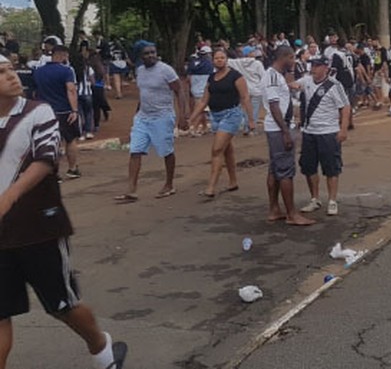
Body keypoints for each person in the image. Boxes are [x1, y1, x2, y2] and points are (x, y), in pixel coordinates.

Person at [0, 55, 129, 369]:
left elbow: (45, 159)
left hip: (38, 229)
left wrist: (10, 195)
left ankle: (101, 349)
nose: (12, 76)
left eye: (10, 69)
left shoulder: (38, 112)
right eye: (1, 73)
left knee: (62, 305)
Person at [114, 44, 187, 202]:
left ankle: (169, 184)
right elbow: (144, 94)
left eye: (153, 52)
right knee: (135, 150)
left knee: (166, 151)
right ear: (141, 56)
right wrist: (137, 113)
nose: (151, 55)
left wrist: (183, 116)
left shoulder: (166, 70)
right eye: (147, 53)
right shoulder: (140, 71)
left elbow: (179, 91)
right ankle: (131, 190)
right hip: (143, 118)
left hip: (162, 116)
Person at [188, 48, 255, 198]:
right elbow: (204, 101)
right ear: (212, 60)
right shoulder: (211, 78)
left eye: (222, 58)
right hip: (215, 116)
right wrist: (192, 118)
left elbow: (245, 97)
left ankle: (211, 187)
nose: (219, 60)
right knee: (226, 149)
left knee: (217, 150)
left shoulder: (235, 76)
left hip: (231, 115)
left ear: (226, 59)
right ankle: (233, 181)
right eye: (216, 58)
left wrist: (250, 120)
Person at [263, 47, 314, 225]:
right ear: (283, 57)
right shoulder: (272, 77)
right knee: (285, 171)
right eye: (291, 58)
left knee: (275, 169)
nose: (293, 61)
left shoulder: (277, 76)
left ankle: (274, 209)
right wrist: (285, 132)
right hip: (279, 128)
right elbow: (274, 106)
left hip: (279, 127)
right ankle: (291, 214)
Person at [298, 57, 351, 216]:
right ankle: (314, 199)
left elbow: (345, 107)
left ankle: (332, 200)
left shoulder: (334, 85)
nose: (313, 69)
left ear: (325, 68)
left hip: (328, 132)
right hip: (309, 132)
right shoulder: (306, 81)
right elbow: (292, 85)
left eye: (317, 66)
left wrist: (343, 129)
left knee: (331, 168)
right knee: (309, 167)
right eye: (312, 65)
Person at [32, 45, 82, 179]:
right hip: (64, 111)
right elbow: (71, 89)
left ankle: (54, 173)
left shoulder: (38, 71)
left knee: (51, 142)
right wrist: (74, 110)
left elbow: (34, 91)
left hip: (44, 111)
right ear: (62, 55)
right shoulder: (67, 71)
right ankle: (72, 169)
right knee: (70, 140)